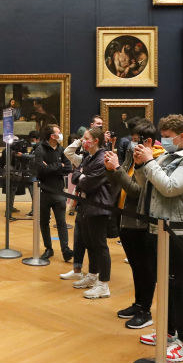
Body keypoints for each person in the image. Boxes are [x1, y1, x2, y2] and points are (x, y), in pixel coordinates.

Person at [132, 115, 183, 363]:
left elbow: (171, 187)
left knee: (179, 285)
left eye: (167, 135)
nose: (164, 139)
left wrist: (151, 161)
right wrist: (142, 165)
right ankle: (168, 331)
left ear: (182, 135)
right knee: (165, 285)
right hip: (159, 228)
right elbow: (147, 185)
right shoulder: (165, 157)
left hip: (182, 230)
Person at [107, 118, 163, 329]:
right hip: (126, 219)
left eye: (135, 140)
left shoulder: (154, 161)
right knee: (136, 268)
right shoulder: (132, 158)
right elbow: (119, 182)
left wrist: (117, 170)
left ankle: (145, 311)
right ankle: (138, 303)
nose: (131, 144)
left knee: (145, 269)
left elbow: (138, 191)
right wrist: (111, 168)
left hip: (141, 223)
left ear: (148, 141)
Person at [70, 128, 114, 299]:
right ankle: (93, 275)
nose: (83, 140)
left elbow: (89, 184)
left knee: (100, 245)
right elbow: (75, 176)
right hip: (86, 205)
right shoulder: (89, 157)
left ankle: (104, 284)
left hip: (98, 207)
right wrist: (81, 176)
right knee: (89, 242)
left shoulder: (103, 158)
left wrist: (81, 177)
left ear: (96, 140)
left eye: (86, 138)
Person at [33, 124, 73, 261]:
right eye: (58, 132)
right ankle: (48, 249)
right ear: (52, 136)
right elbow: (40, 170)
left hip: (59, 193)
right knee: (44, 222)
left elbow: (68, 168)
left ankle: (65, 249)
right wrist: (58, 165)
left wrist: (51, 167)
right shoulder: (40, 149)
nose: (60, 134)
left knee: (61, 222)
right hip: (44, 192)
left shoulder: (61, 150)